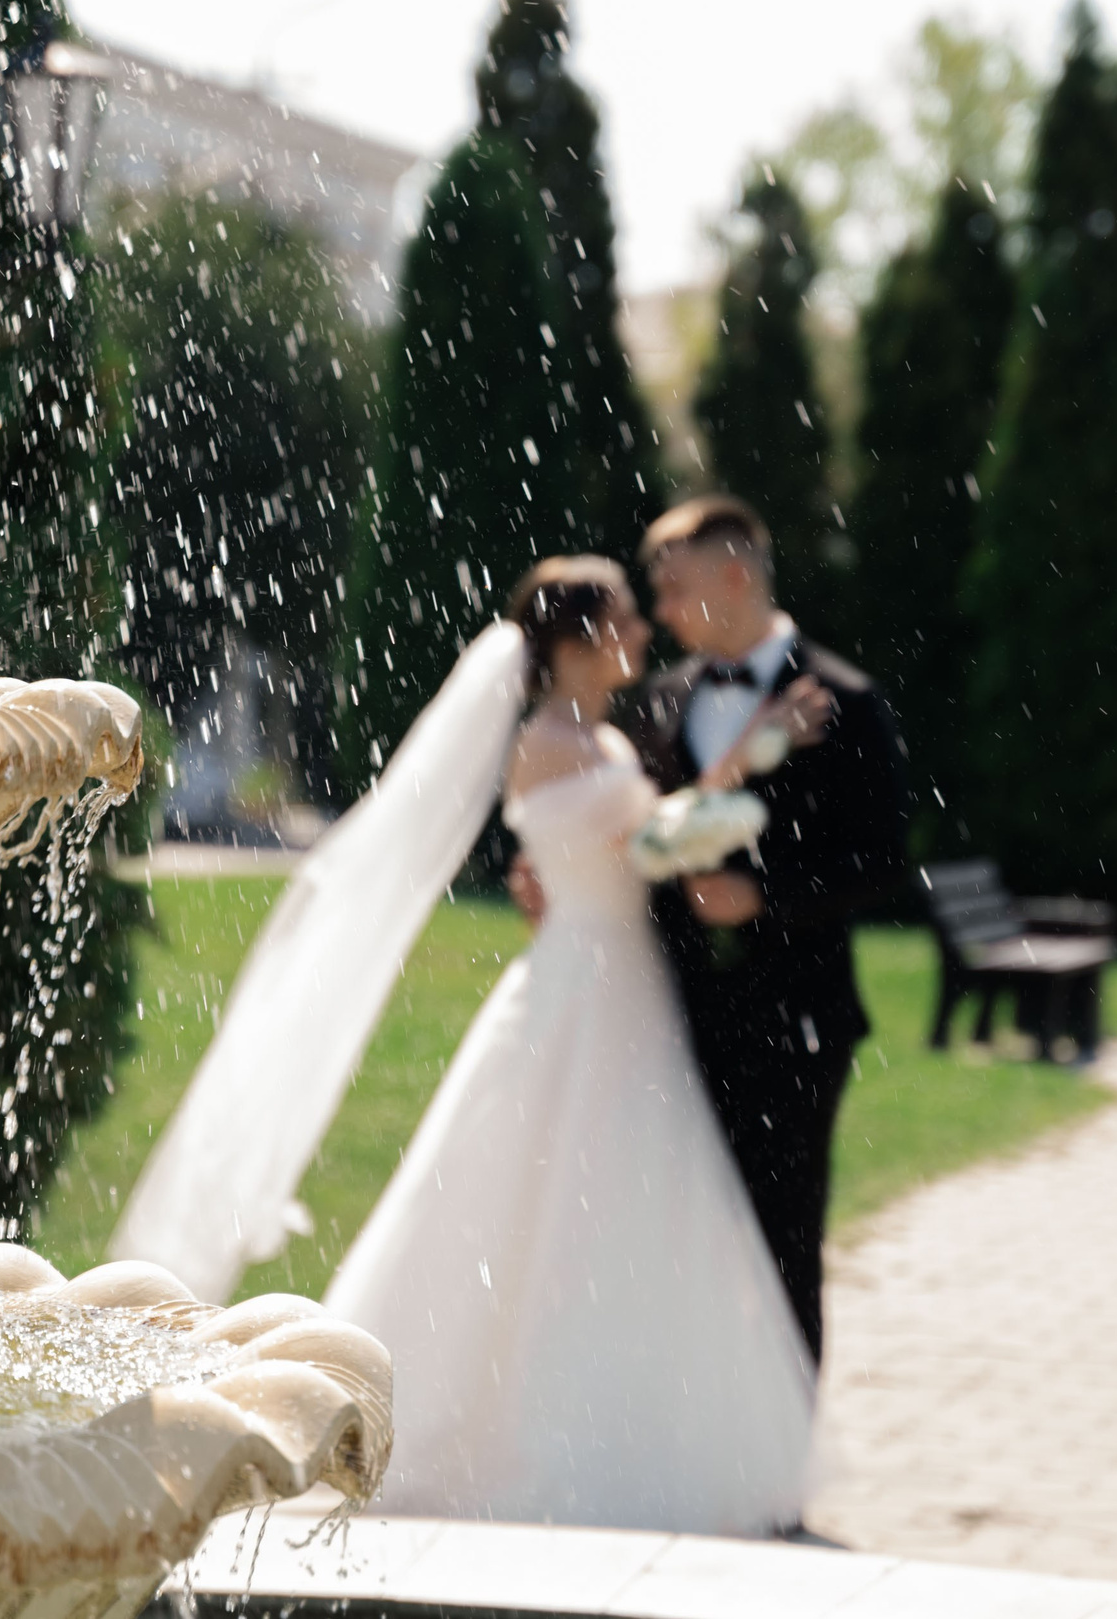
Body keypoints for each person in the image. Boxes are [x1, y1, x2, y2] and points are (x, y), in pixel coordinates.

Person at [324, 557, 818, 1533]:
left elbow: (632, 841)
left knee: (627, 1203)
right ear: (573, 641)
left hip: (622, 984)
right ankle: (477, 1430)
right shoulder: (551, 744)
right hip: (579, 987)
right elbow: (646, 845)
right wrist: (748, 759)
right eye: (625, 617)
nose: (641, 631)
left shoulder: (600, 738)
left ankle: (615, 1414)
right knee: (531, 1199)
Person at [619, 496, 912, 1363]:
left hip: (798, 1018)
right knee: (679, 1236)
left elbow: (884, 859)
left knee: (783, 1243)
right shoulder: (662, 701)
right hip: (667, 1016)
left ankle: (784, 1478)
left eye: (675, 588)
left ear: (736, 575)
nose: (663, 610)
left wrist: (767, 896)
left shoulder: (847, 702)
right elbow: (635, 834)